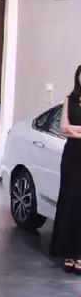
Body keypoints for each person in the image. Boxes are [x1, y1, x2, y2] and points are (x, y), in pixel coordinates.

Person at [50, 65, 81, 273]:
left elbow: (70, 129)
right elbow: (63, 129)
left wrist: (74, 131)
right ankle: (68, 252)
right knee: (69, 203)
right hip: (71, 157)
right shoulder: (70, 100)